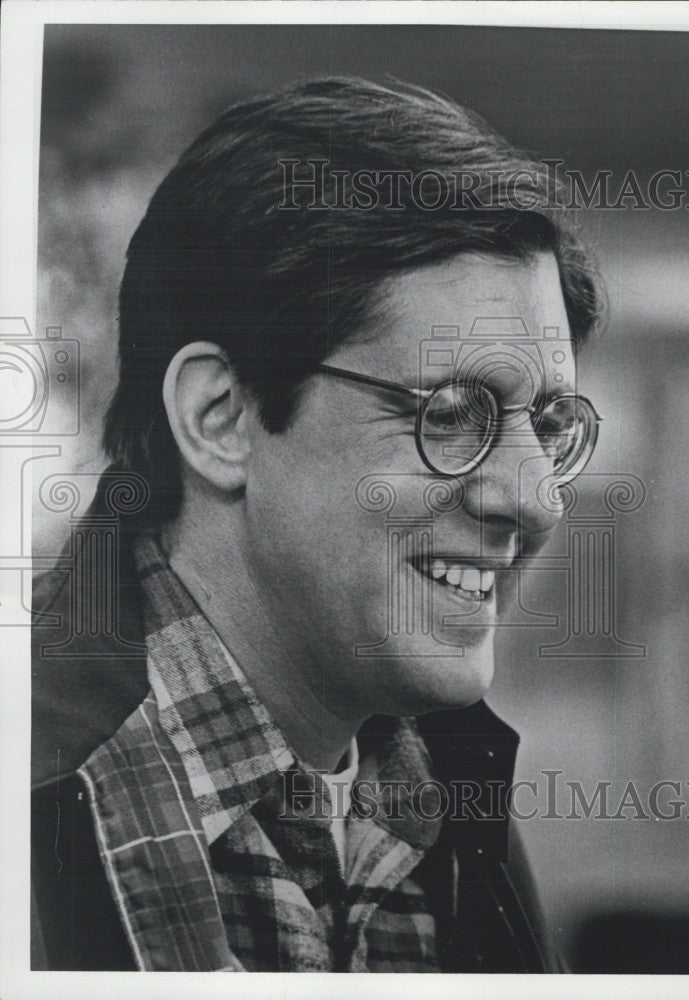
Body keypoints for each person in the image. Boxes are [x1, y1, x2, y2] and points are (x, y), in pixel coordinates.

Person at [31, 76, 602, 972]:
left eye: (550, 423)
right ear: (221, 417)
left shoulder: (448, 797)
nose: (535, 499)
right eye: (451, 413)